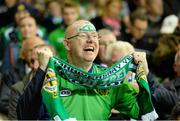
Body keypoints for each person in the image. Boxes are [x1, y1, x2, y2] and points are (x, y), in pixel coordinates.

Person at [17, 20, 157, 120]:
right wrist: (42, 69)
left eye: (95, 36)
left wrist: (146, 75)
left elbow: (144, 113)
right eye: (83, 36)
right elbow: (24, 115)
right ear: (67, 44)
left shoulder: (109, 78)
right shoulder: (51, 76)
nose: (91, 40)